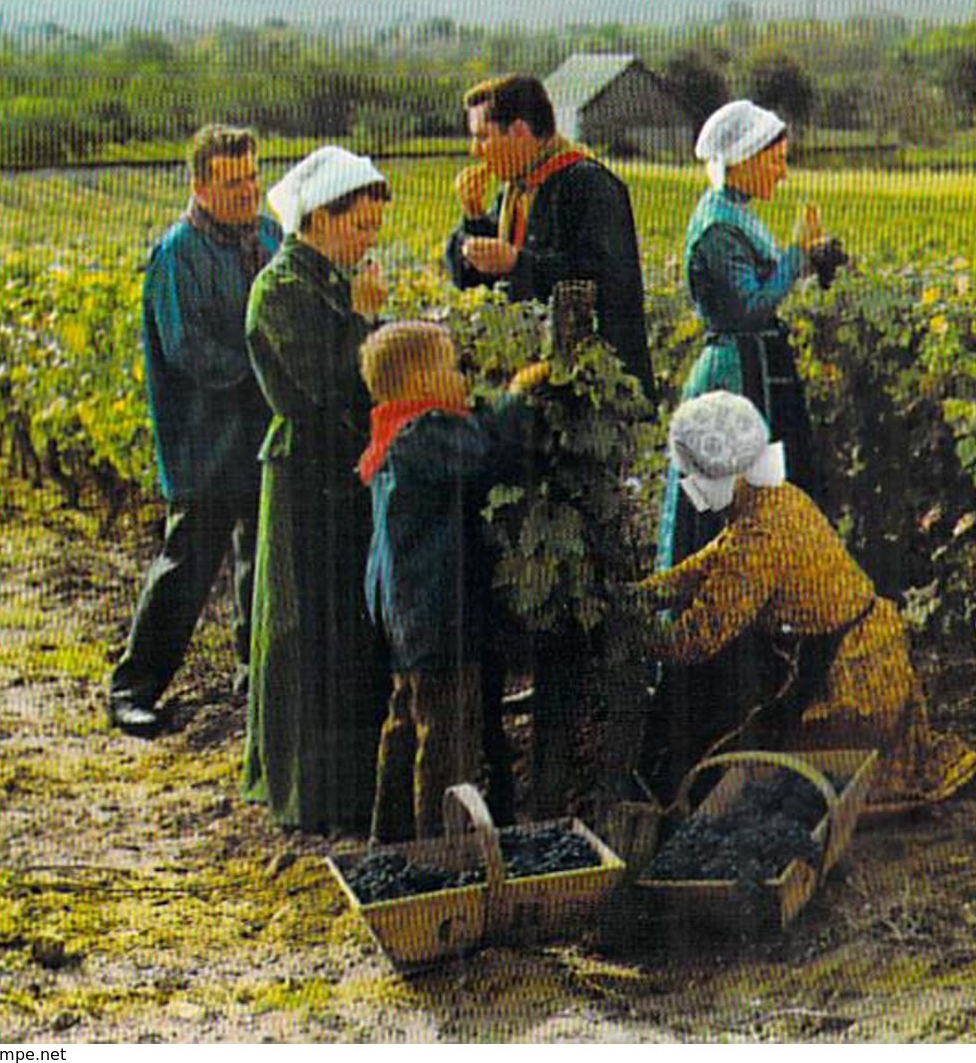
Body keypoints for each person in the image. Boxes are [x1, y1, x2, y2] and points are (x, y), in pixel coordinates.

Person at [637, 391, 976, 814]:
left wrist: (629, 634)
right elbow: (707, 563)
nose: (693, 489)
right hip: (864, 651)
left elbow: (696, 639)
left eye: (696, 477)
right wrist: (646, 594)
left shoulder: (760, 536)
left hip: (858, 684)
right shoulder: (773, 498)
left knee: (777, 788)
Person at [107, 124, 281, 738]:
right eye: (232, 182)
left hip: (263, 434)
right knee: (187, 566)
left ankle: (254, 672)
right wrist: (268, 371)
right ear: (200, 186)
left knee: (262, 563)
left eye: (252, 177)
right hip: (204, 441)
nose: (246, 190)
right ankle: (133, 688)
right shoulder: (176, 254)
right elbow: (190, 352)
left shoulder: (268, 235)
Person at [239, 145, 393, 835]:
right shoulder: (280, 290)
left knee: (344, 631)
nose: (366, 242)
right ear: (318, 218)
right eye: (358, 226)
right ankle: (308, 792)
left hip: (339, 467)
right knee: (307, 629)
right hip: (304, 472)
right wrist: (363, 322)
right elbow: (327, 388)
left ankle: (346, 784)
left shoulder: (327, 278)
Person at [355, 320, 546, 842]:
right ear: (420, 383)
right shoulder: (424, 435)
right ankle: (440, 853)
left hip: (409, 617)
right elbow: (483, 448)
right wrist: (518, 399)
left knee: (406, 724)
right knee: (448, 738)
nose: (462, 378)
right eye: (452, 367)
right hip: (437, 617)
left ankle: (389, 842)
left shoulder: (397, 429)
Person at [655, 99, 835, 573]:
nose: (782, 173)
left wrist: (812, 258)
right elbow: (748, 308)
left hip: (752, 370)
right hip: (732, 378)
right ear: (745, 160)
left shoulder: (734, 212)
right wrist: (796, 254)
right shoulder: (718, 227)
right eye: (776, 160)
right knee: (727, 509)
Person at [444, 74, 655, 399]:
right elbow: (472, 284)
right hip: (533, 379)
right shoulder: (514, 192)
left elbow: (606, 280)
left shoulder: (590, 185)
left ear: (518, 132)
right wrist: (473, 219)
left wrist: (517, 263)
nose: (475, 151)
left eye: (482, 137)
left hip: (594, 386)